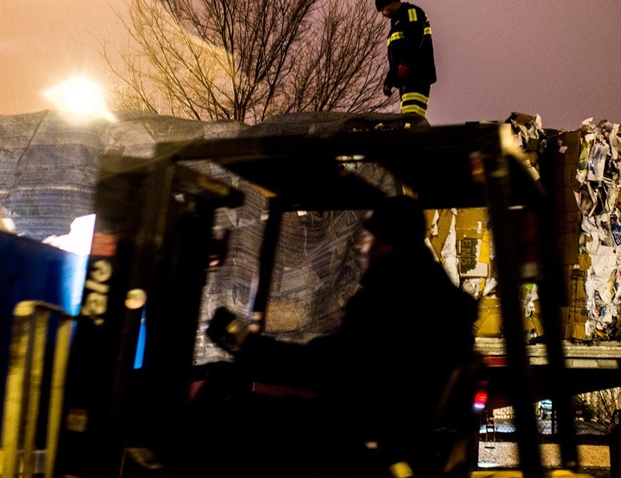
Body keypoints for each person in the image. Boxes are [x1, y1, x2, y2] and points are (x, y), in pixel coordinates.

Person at [200, 195, 478, 478]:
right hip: (381, 424)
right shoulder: (435, 299)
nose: (359, 246)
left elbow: (322, 367)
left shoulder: (392, 300)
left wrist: (248, 345)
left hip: (359, 432)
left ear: (388, 243)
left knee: (232, 414)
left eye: (367, 237)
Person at [376, 0, 437, 119]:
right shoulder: (397, 22)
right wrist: (389, 80)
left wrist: (405, 63)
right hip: (406, 77)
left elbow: (414, 39)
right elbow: (396, 57)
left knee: (412, 115)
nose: (383, 14)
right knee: (407, 116)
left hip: (417, 73)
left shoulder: (411, 13)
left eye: (383, 10)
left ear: (391, 3)